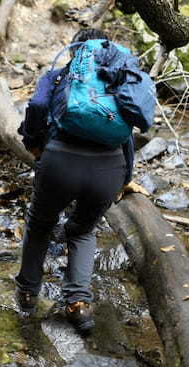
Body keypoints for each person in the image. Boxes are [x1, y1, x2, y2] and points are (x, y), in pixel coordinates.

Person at [15, 28, 143, 333]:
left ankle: (28, 294)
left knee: (41, 223)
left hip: (60, 162)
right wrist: (125, 177)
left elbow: (37, 108)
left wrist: (34, 144)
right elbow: (127, 134)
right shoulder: (118, 80)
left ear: (76, 51)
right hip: (109, 168)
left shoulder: (60, 76)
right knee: (83, 231)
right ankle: (78, 305)